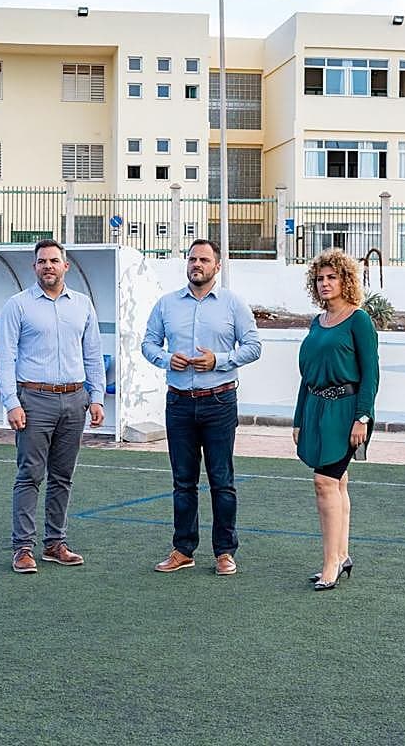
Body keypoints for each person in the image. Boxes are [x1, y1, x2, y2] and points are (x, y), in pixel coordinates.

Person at [142, 239, 262, 576]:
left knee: (222, 480)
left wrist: (218, 361)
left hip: (220, 401)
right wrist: (167, 358)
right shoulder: (167, 304)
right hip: (179, 402)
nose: (197, 264)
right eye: (193, 259)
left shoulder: (233, 304)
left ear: (217, 266)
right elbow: (148, 343)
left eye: (204, 259)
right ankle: (183, 549)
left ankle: (224, 552)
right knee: (183, 482)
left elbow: (253, 346)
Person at [0, 239, 105, 574]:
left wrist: (96, 396)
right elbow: (4, 358)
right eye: (42, 261)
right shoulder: (18, 305)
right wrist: (11, 402)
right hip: (34, 400)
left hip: (75, 401)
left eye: (54, 261)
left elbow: (93, 355)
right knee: (30, 474)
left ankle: (55, 543)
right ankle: (23, 548)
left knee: (63, 476)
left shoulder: (83, 305)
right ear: (34, 267)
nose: (48, 266)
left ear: (65, 266)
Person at [292, 247, 379, 591]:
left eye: (332, 277)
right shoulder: (318, 322)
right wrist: (298, 418)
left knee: (324, 481)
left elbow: (370, 373)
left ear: (346, 280)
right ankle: (342, 555)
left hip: (346, 411)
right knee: (338, 482)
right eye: (320, 278)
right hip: (315, 409)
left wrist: (363, 416)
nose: (325, 283)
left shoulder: (359, 320)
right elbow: (306, 374)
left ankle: (330, 563)